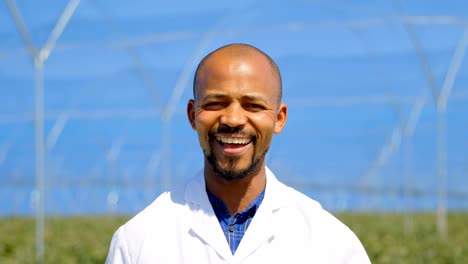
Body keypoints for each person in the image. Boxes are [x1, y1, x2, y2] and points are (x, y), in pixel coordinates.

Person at [105, 43, 371, 264]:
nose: (233, 118)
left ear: (279, 119)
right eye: (216, 103)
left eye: (252, 105)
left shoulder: (331, 245)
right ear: (192, 115)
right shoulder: (139, 241)